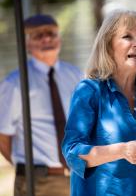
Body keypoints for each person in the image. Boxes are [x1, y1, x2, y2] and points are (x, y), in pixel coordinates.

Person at [62, 9, 136, 196]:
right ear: (108, 46)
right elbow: (73, 152)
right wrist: (121, 150)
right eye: (127, 37)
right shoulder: (90, 91)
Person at [0, 14, 82, 196]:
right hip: (38, 183)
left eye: (51, 33)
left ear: (59, 38)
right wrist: (26, 170)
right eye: (38, 35)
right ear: (27, 44)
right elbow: (3, 135)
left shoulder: (76, 76)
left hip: (76, 178)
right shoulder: (15, 83)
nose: (46, 39)